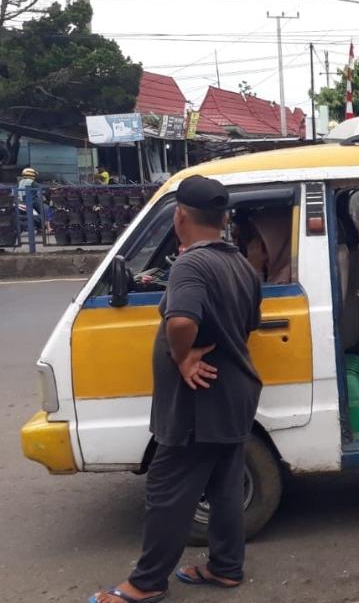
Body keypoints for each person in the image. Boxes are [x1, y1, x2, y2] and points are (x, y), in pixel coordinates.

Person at [90, 175, 263, 603]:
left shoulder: (190, 264)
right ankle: (225, 568)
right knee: (224, 485)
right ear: (223, 219)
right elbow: (249, 323)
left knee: (168, 491)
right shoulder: (240, 262)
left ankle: (146, 584)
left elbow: (181, 320)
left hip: (199, 401)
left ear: (180, 215)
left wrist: (183, 356)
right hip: (235, 391)